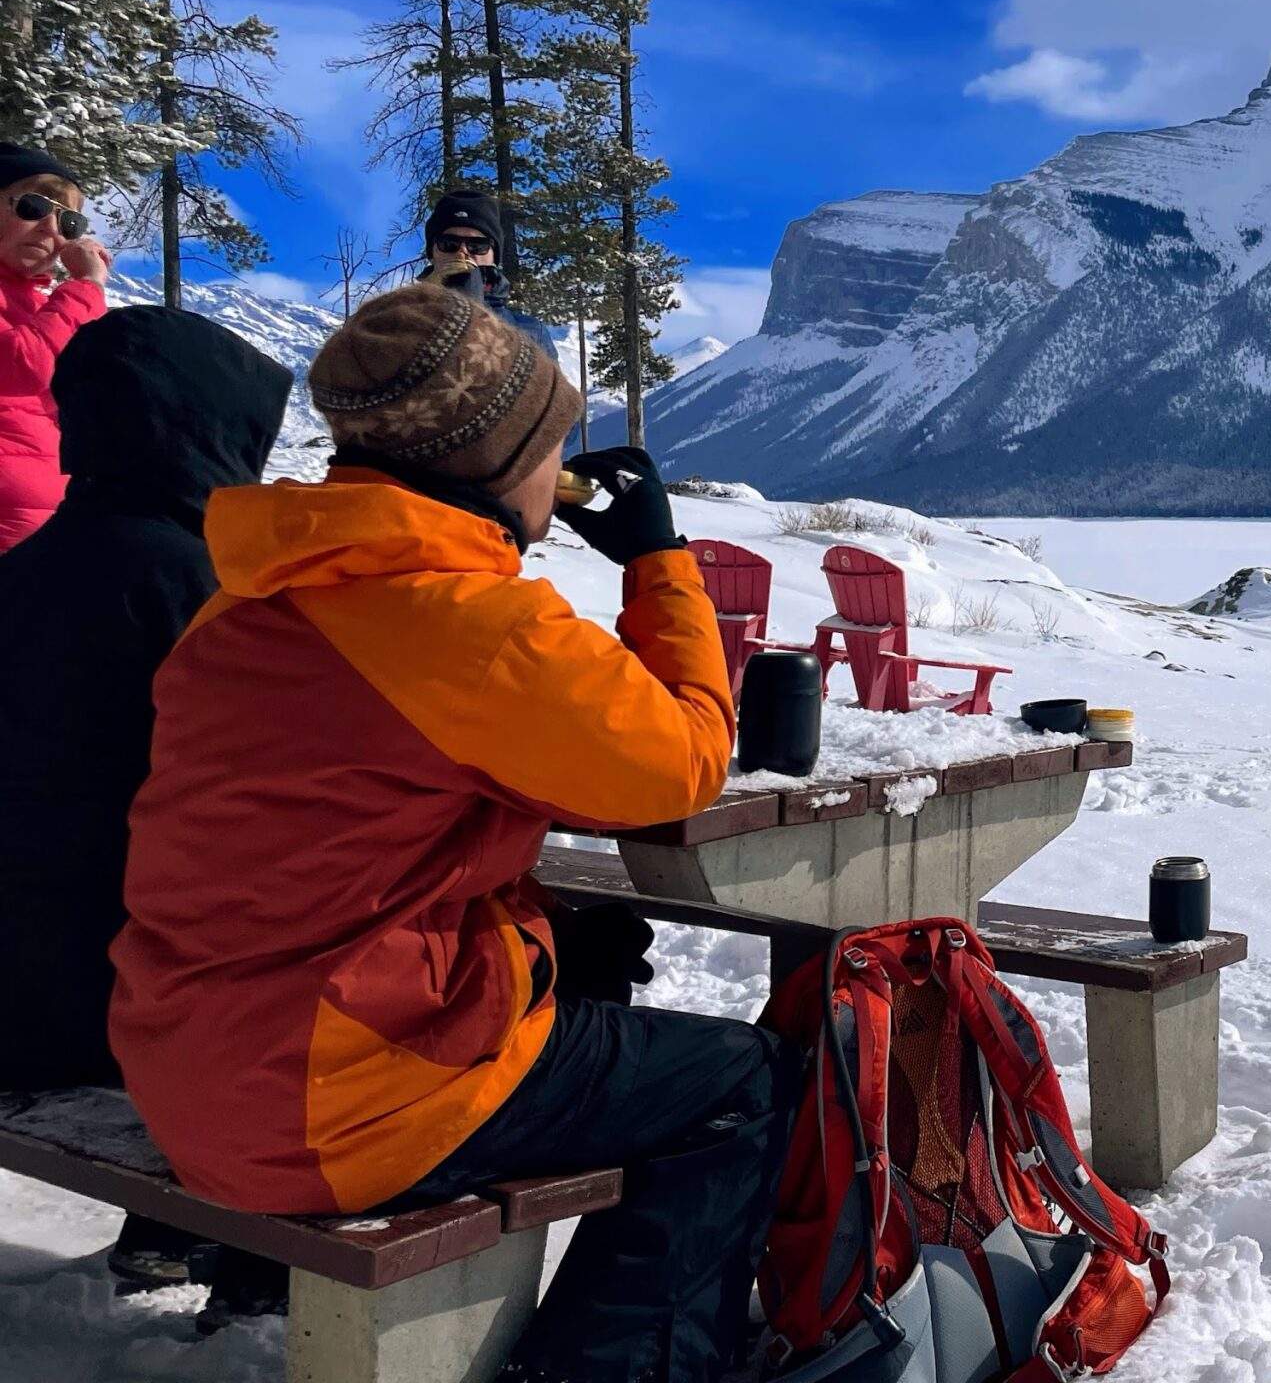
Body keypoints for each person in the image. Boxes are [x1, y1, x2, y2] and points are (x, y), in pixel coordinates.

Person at [111, 283, 797, 1383]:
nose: (560, 467)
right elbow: (675, 770)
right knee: (744, 1079)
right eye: (551, 443)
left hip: (189, 1055)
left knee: (582, 958)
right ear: (494, 461)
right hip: (328, 1107)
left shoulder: (248, 600)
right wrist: (657, 564)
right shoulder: (473, 627)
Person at [0, 306, 292, 1301]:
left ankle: (170, 1234)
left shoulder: (25, 572)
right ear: (202, 428)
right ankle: (261, 1279)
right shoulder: (205, 591)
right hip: (120, 1016)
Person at [0, 143, 112, 552]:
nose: (51, 229)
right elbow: (22, 365)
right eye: (32, 207)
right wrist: (85, 287)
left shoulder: (46, 307)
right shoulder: (68, 303)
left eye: (69, 222)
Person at [418, 188, 558, 359]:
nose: (462, 252)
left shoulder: (531, 332)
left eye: (477, 245)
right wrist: (423, 304)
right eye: (449, 243)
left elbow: (549, 386)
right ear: (432, 254)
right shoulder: (399, 319)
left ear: (494, 257)